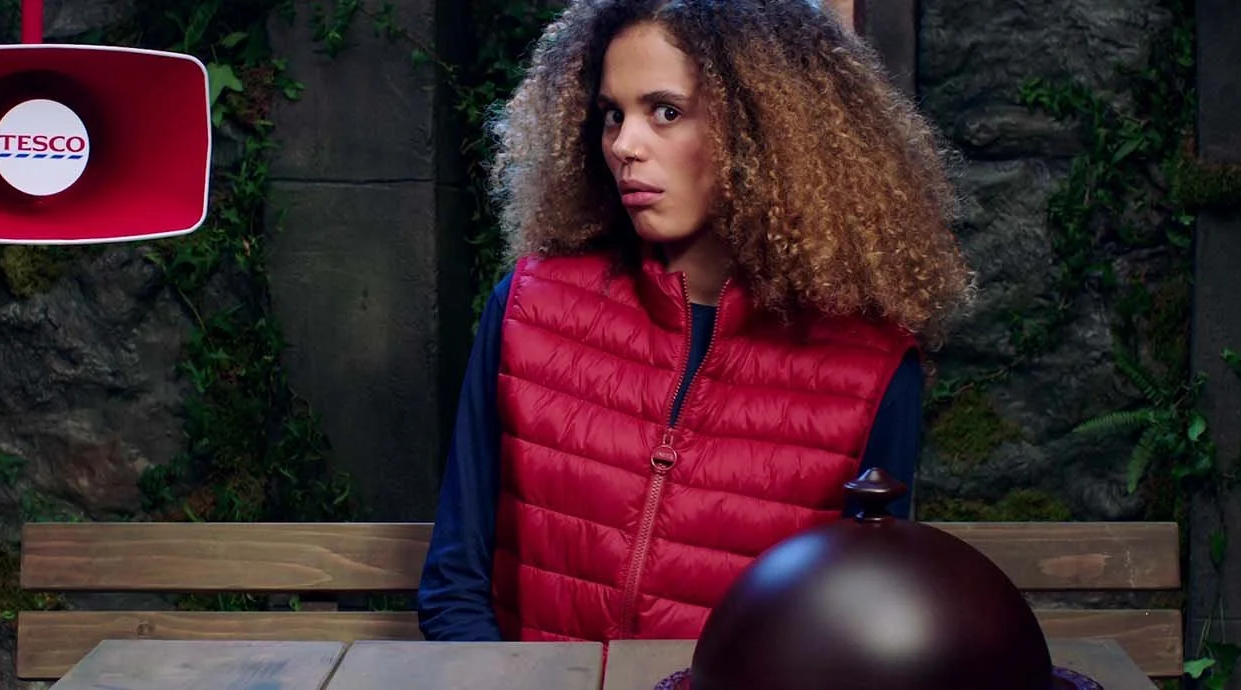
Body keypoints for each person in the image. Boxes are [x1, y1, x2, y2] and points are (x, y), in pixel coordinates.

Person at [417, 0, 974, 645]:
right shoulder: (529, 307)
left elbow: (852, 632)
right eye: (612, 114)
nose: (624, 145)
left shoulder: (871, 368)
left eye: (666, 112)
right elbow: (455, 583)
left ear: (765, 130)